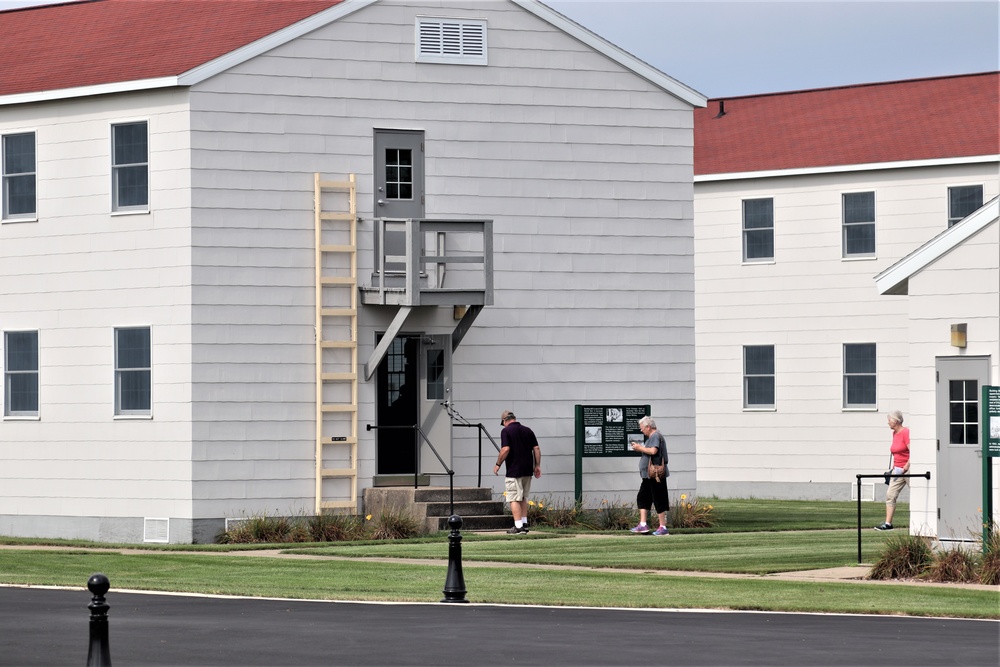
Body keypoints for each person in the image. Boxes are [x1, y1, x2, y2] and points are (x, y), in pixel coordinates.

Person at [493, 410, 541, 534]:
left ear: (505, 421)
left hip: (514, 471)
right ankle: (524, 524)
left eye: (503, 423)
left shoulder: (506, 431)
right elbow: (536, 448)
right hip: (527, 470)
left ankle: (518, 526)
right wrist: (537, 466)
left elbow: (505, 449)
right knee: (523, 497)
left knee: (513, 498)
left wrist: (498, 464)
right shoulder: (527, 430)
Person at [629, 416, 670, 536]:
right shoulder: (652, 437)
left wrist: (639, 448)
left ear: (648, 427)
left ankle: (663, 527)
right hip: (648, 476)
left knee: (659, 499)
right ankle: (643, 525)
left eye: (642, 428)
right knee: (643, 497)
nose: (641, 430)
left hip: (655, 474)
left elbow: (653, 451)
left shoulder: (655, 436)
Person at [876, 410, 910, 531]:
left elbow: (914, 452)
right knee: (890, 495)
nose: (888, 422)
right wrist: (895, 468)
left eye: (889, 420)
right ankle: (888, 524)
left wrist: (906, 468)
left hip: (909, 469)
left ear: (896, 421)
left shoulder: (906, 433)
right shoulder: (894, 433)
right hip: (897, 470)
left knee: (917, 493)